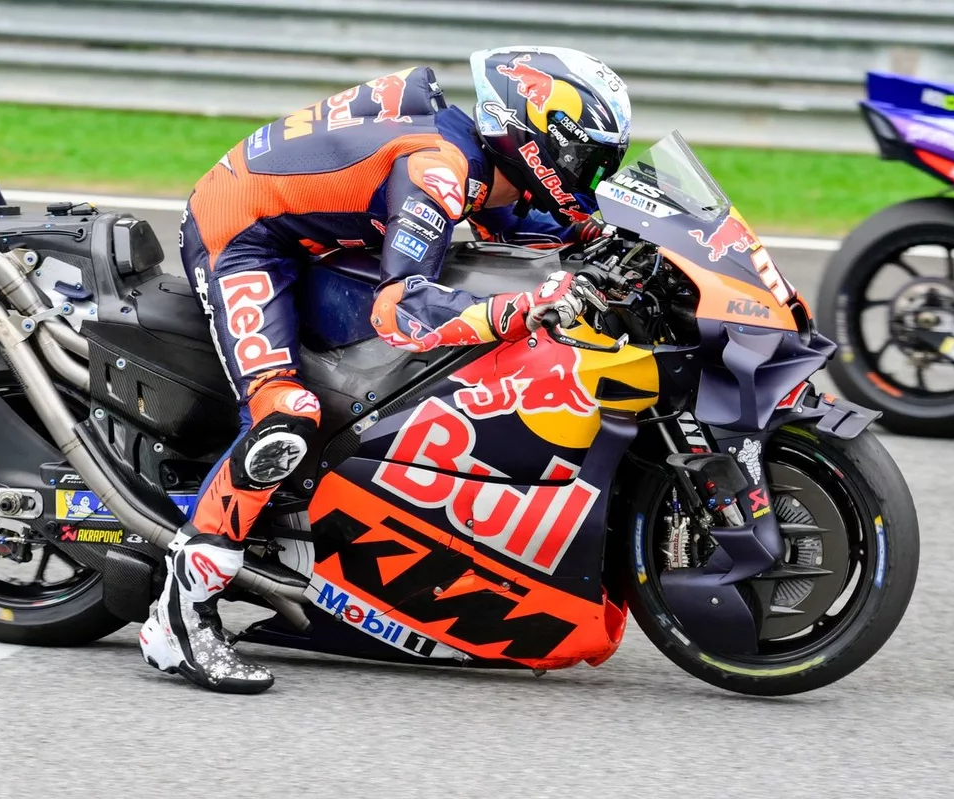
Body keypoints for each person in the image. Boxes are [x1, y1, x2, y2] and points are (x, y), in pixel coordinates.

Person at [138, 45, 633, 693]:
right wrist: (525, 309)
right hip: (242, 233)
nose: (588, 177)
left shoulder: (487, 163)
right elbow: (400, 310)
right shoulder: (438, 169)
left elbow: (554, 228)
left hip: (315, 229)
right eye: (587, 161)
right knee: (286, 416)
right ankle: (178, 616)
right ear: (540, 139)